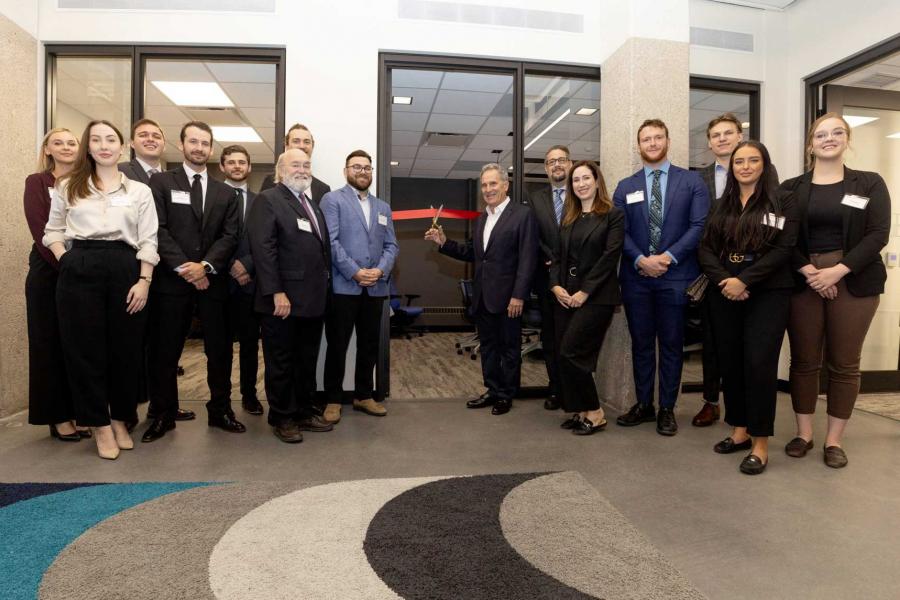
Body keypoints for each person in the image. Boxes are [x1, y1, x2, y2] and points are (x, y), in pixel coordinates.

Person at [43, 120, 159, 460]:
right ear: (88, 147)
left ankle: (119, 417)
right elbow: (52, 231)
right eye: (96, 139)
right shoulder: (68, 186)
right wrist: (67, 260)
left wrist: (144, 280)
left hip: (126, 268)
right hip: (81, 265)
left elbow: (149, 239)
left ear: (121, 148)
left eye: (110, 139)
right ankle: (98, 424)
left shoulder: (139, 191)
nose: (104, 145)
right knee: (84, 351)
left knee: (125, 351)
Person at [781, 112, 891, 469]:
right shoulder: (790, 188)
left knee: (844, 364)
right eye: (821, 134)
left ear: (846, 140)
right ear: (810, 143)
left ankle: (833, 441)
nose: (828, 139)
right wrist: (810, 270)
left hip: (854, 280)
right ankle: (804, 434)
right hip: (803, 278)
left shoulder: (869, 183)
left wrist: (837, 272)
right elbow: (780, 236)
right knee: (803, 361)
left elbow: (878, 233)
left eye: (837, 133)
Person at [698, 141, 798, 475]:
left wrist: (746, 281)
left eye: (752, 160)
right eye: (739, 161)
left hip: (768, 292)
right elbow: (706, 249)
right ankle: (739, 430)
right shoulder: (719, 205)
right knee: (732, 362)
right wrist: (726, 280)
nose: (744, 166)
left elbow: (783, 250)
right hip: (724, 291)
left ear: (764, 164)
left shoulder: (782, 201)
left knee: (758, 364)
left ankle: (760, 442)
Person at [143, 121, 244, 442]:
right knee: (166, 351)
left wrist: (206, 266)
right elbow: (157, 229)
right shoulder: (160, 183)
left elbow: (231, 236)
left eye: (205, 143)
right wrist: (186, 268)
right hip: (171, 284)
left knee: (219, 351)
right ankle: (163, 414)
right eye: (193, 142)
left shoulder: (225, 192)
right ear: (182, 144)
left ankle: (221, 411)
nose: (199, 148)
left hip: (212, 284)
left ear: (211, 149)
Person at [613, 118, 709, 436]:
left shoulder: (692, 182)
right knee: (641, 344)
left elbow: (698, 227)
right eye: (646, 139)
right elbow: (619, 232)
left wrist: (666, 258)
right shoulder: (626, 187)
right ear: (638, 145)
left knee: (670, 345)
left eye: (657, 138)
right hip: (636, 277)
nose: (652, 143)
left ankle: (667, 408)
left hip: (676, 275)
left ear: (668, 141)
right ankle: (644, 405)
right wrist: (641, 259)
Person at [425, 163, 538, 415]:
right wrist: (444, 243)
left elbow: (528, 259)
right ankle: (492, 390)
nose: (488, 189)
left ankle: (506, 395)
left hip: (510, 298)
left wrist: (518, 295)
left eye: (493, 183)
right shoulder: (482, 218)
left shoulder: (522, 215)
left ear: (505, 185)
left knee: (509, 349)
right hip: (484, 297)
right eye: (484, 185)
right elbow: (474, 253)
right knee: (488, 347)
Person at [692, 113, 781, 428]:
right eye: (716, 135)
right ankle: (714, 403)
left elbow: (777, 240)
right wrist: (723, 276)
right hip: (715, 275)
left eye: (728, 133)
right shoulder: (700, 181)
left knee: (755, 358)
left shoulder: (771, 188)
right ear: (709, 142)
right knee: (718, 347)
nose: (722, 139)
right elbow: (701, 234)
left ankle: (753, 429)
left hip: (758, 283)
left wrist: (744, 279)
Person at [247, 148, 334, 443]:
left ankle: (303, 411)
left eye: (306, 165)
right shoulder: (268, 200)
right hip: (282, 300)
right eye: (295, 164)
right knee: (281, 361)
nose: (302, 169)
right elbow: (264, 249)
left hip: (311, 300)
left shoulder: (311, 204)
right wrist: (276, 291)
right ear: (280, 170)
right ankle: (282, 416)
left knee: (305, 360)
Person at [321, 150, 399, 423]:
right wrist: (355, 272)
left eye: (367, 168)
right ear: (346, 171)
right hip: (344, 287)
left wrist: (379, 270)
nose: (363, 172)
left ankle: (364, 395)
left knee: (368, 345)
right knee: (337, 345)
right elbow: (330, 242)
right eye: (357, 167)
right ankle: (332, 399)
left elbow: (391, 245)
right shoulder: (332, 200)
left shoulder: (383, 207)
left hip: (375, 288)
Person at [549, 161, 624, 435]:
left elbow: (610, 257)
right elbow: (556, 258)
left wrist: (585, 291)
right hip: (566, 295)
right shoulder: (569, 218)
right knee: (565, 354)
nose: (580, 184)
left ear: (596, 181)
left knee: (572, 351)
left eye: (585, 178)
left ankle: (595, 412)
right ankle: (579, 410)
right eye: (576, 180)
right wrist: (556, 286)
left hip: (597, 297)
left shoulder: (613, 215)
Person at [23, 128, 82, 441]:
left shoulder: (87, 182)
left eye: (71, 142)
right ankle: (57, 417)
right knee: (49, 345)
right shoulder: (38, 183)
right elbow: (41, 230)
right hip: (49, 272)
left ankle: (78, 410)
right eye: (58, 142)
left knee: (76, 346)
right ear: (47, 149)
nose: (66, 147)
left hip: (81, 273)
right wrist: (67, 266)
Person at [525, 145, 570, 411]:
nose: (557, 165)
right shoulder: (535, 198)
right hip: (547, 279)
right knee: (552, 340)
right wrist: (551, 258)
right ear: (545, 168)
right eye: (551, 161)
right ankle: (556, 390)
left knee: (574, 340)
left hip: (577, 281)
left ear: (570, 163)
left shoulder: (582, 193)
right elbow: (534, 235)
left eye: (562, 160)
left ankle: (575, 390)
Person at [220, 144, 263, 416]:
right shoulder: (211, 196)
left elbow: (266, 240)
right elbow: (205, 238)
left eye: (242, 162)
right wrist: (227, 265)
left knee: (249, 345)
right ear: (222, 166)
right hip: (219, 282)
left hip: (250, 282)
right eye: (231, 162)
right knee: (219, 348)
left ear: (249, 167)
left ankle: (249, 395)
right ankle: (221, 400)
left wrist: (246, 264)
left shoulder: (262, 200)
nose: (237, 166)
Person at [258, 123, 331, 202]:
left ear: (312, 147)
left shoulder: (323, 189)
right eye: (296, 141)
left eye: (306, 142)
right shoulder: (270, 182)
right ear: (286, 145)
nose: (302, 146)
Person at [118, 118, 166, 184]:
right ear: (132, 143)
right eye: (143, 135)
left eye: (156, 136)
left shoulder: (172, 178)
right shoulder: (119, 171)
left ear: (164, 145)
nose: (150, 139)